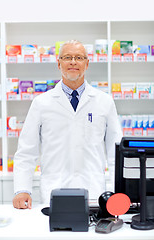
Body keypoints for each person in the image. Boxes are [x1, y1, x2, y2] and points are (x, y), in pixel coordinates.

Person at [13, 40, 122, 209]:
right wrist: (21, 189)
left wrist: (120, 192)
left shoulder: (104, 102)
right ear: (59, 63)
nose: (73, 61)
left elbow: (116, 153)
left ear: (87, 64)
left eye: (79, 57)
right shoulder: (41, 103)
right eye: (67, 57)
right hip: (54, 192)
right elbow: (27, 151)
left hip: (93, 192)